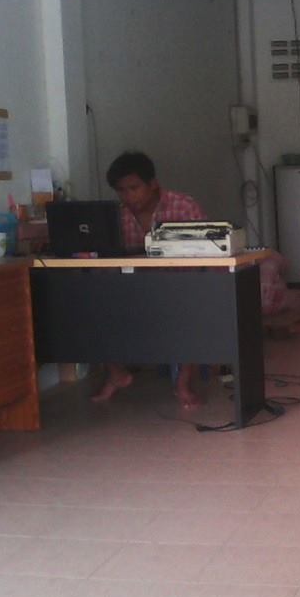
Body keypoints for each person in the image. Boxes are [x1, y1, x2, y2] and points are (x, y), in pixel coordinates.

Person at [91, 151, 206, 409]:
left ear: (153, 184)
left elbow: (204, 252)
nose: (128, 196)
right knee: (90, 302)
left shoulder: (183, 206)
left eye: (134, 188)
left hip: (180, 286)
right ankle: (117, 373)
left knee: (193, 303)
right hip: (133, 289)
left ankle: (183, 381)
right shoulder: (116, 216)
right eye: (121, 191)